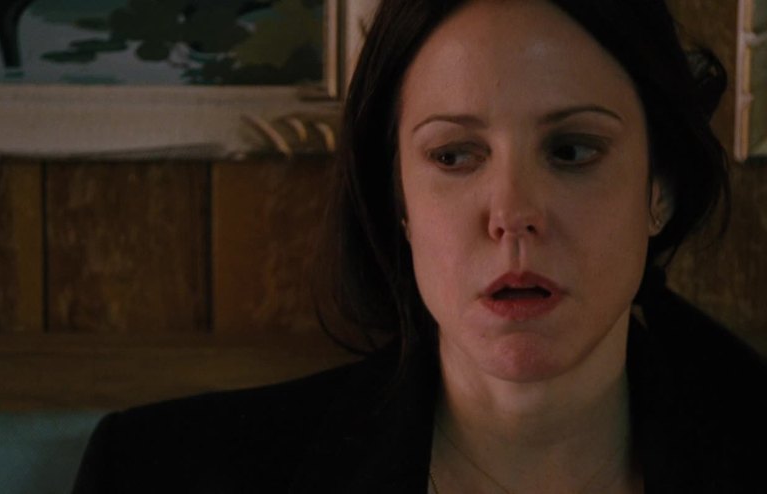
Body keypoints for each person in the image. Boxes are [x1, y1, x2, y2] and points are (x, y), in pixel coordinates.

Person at [72, 0, 766, 492]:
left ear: (659, 190)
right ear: (399, 199)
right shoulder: (161, 473)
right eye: (455, 155)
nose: (512, 215)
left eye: (573, 150)